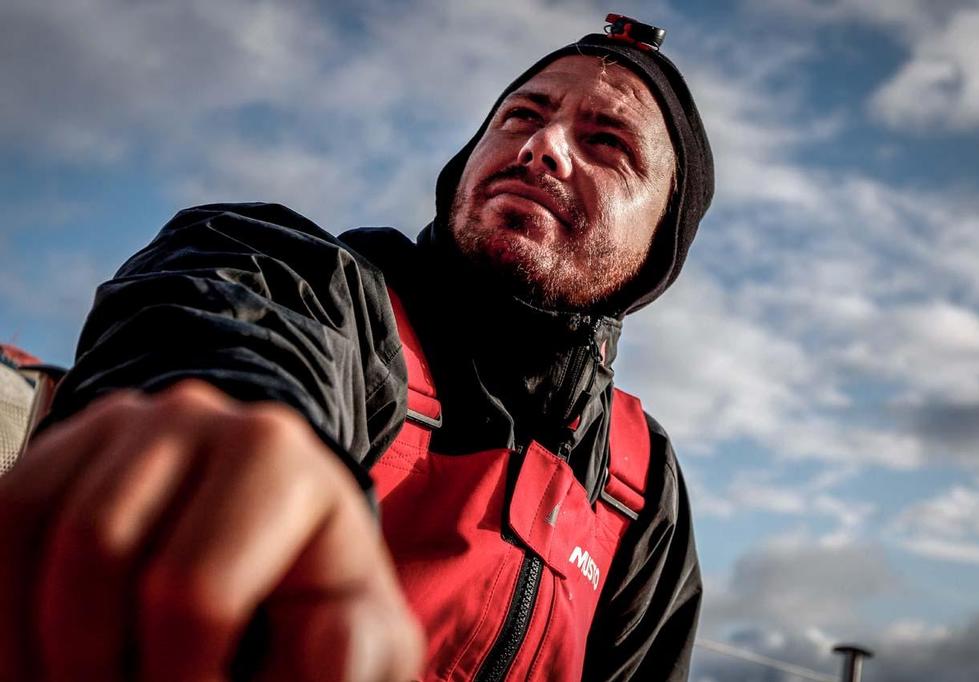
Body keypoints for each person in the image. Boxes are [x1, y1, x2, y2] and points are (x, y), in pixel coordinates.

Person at [0, 16, 714, 682]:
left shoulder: (641, 492)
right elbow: (234, 316)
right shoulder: (328, 290)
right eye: (522, 116)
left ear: (660, 243)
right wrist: (224, 419)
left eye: (607, 142)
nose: (541, 146)